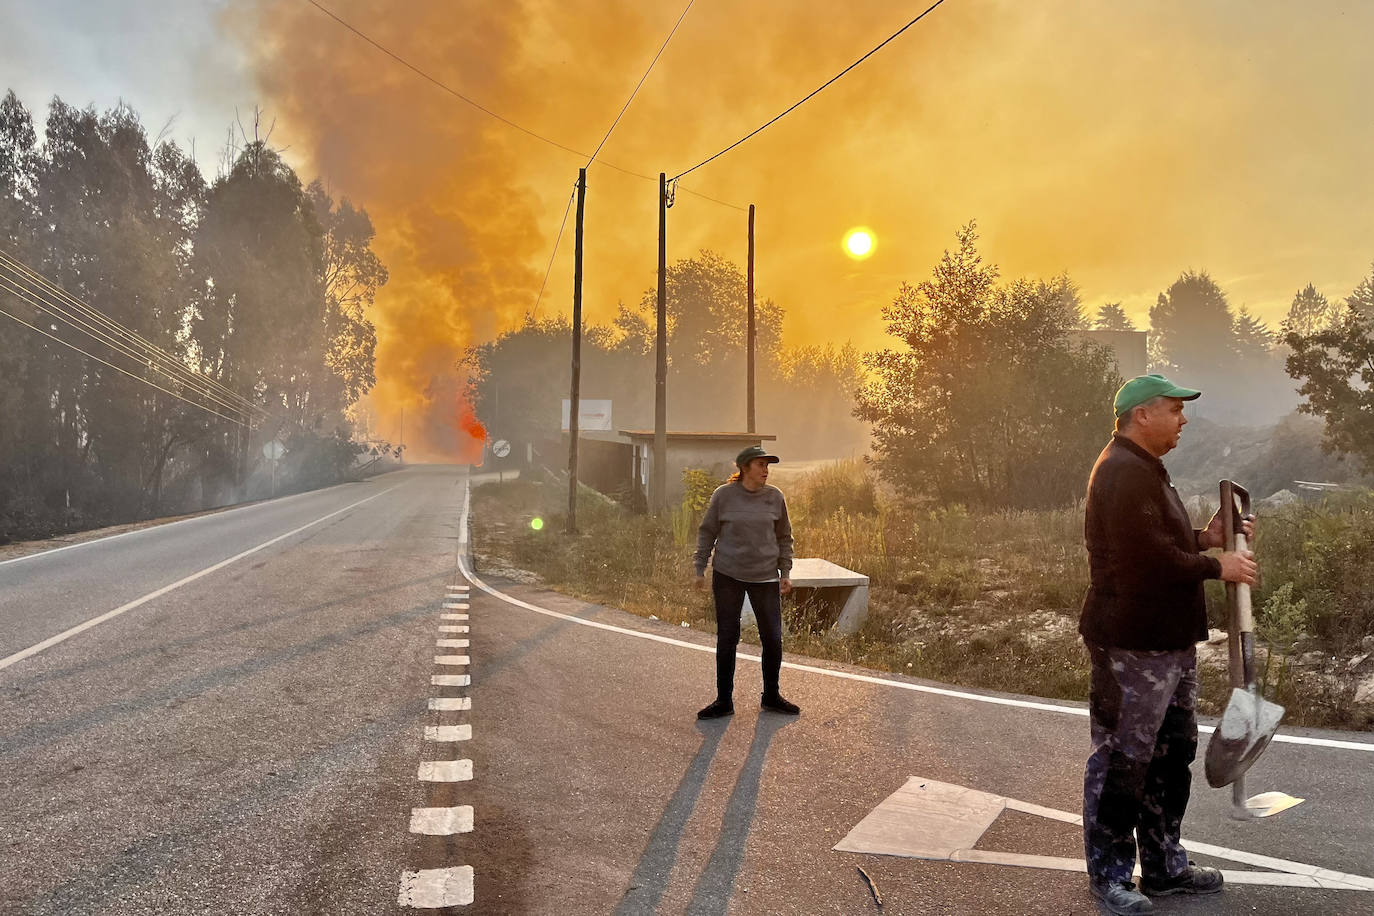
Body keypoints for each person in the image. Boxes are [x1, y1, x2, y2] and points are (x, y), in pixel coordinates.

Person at [1079, 374, 1258, 915]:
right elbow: (1143, 563)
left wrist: (1204, 538)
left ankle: (1163, 865)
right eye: (1176, 411)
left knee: (1171, 753)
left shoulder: (1146, 471)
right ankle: (1110, 875)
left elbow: (1160, 542)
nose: (1183, 420)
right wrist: (1215, 564)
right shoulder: (1121, 473)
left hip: (1169, 644)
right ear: (1142, 415)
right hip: (1131, 646)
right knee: (1122, 761)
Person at [693, 445, 800, 719]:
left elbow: (784, 537)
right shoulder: (724, 496)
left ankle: (772, 696)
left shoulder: (775, 497)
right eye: (761, 465)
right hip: (728, 574)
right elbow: (707, 532)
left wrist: (785, 572)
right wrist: (699, 568)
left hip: (765, 577)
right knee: (728, 637)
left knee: (773, 639)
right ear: (745, 467)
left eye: (768, 466)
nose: (766, 470)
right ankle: (723, 700)